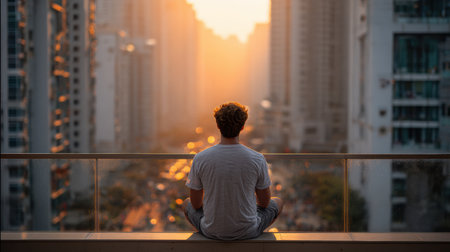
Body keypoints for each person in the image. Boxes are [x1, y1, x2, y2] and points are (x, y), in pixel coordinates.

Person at [183, 102, 283, 240]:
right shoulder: (257, 159)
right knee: (277, 202)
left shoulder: (200, 158)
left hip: (211, 231)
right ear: (242, 127)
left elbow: (195, 204)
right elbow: (265, 203)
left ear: (218, 126)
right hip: (248, 231)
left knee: (186, 203)